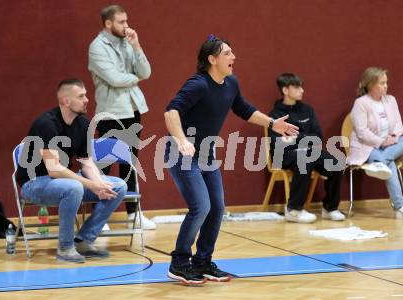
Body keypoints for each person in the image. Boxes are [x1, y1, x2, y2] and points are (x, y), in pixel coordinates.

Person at [163, 35, 299, 285]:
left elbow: (243, 109)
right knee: (201, 207)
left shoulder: (230, 83)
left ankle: (202, 262)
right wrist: (182, 140)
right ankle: (179, 263)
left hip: (206, 155)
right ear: (212, 59)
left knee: (217, 208)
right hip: (180, 153)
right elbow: (171, 111)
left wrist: (272, 123)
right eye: (227, 53)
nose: (233, 57)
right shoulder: (198, 84)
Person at [15, 79, 127, 263]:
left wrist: (99, 183)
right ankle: (65, 248)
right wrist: (91, 184)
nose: (87, 100)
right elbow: (54, 169)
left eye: (86, 95)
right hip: (34, 182)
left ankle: (84, 240)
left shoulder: (82, 124)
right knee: (73, 187)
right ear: (66, 101)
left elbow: (86, 162)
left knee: (118, 186)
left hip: (61, 180)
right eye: (81, 96)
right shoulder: (46, 124)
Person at [88, 4, 156, 230]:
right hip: (111, 111)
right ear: (108, 24)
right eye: (121, 22)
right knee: (105, 163)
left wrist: (136, 46)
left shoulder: (128, 42)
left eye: (126, 21)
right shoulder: (97, 47)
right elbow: (114, 79)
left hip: (133, 108)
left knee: (130, 163)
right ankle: (100, 214)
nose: (127, 26)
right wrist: (134, 77)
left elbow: (146, 73)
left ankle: (133, 214)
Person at [268, 73, 345, 223]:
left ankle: (330, 208)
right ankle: (294, 209)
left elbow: (317, 138)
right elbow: (278, 143)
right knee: (304, 158)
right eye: (297, 87)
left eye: (302, 87)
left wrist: (297, 138)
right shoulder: (275, 114)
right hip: (284, 156)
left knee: (337, 163)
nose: (302, 90)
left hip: (310, 151)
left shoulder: (307, 110)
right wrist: (304, 140)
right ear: (285, 90)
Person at [347, 67, 403, 218]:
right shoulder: (361, 103)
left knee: (387, 158)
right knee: (389, 164)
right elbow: (362, 132)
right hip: (367, 146)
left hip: (391, 144)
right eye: (382, 83)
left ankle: (380, 162)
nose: (386, 86)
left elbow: (398, 124)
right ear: (370, 84)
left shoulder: (391, 100)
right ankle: (400, 207)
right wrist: (381, 141)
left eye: (386, 82)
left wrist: (393, 137)